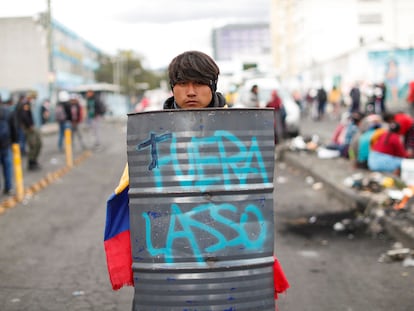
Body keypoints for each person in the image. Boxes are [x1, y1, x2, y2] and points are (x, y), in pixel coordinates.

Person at [104, 50, 289, 306]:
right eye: (182, 84)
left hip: (229, 247)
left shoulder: (240, 129)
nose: (191, 91)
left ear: (212, 86)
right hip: (171, 252)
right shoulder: (151, 134)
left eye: (199, 83)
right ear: (172, 88)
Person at [17, 94, 42, 171]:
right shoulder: (26, 104)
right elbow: (24, 115)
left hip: (35, 127)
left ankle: (34, 160)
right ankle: (31, 162)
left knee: (39, 144)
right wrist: (29, 125)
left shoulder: (33, 104)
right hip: (29, 128)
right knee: (33, 145)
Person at [0, 96, 17, 195]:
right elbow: (13, 127)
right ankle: (8, 187)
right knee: (7, 167)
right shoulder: (8, 111)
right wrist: (14, 141)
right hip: (6, 144)